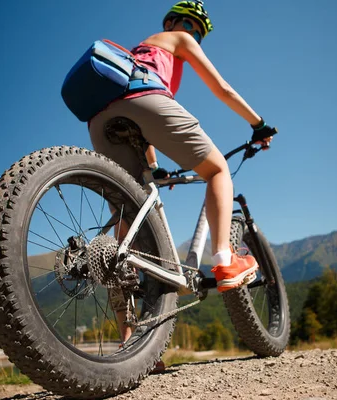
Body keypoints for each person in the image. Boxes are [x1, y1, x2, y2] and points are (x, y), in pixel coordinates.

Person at [88, 0, 277, 363]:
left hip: (100, 117)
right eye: (196, 31)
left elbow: (140, 128)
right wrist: (258, 124)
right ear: (181, 24)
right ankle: (225, 259)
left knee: (127, 233)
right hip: (146, 100)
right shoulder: (178, 38)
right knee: (218, 170)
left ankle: (132, 344)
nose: (196, 38)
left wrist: (154, 166)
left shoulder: (136, 55)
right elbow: (221, 88)